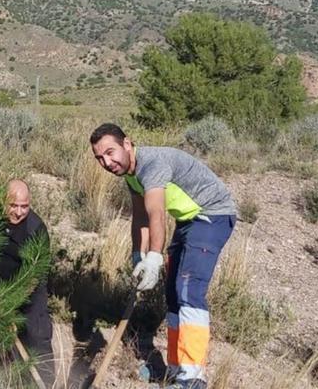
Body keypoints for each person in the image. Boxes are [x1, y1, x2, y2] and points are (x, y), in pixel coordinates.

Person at [90, 123, 237, 389]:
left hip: (212, 215)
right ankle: (176, 369)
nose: (107, 162)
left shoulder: (152, 165)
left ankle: (193, 378)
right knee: (172, 294)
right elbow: (141, 217)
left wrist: (155, 257)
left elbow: (157, 213)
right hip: (188, 221)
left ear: (127, 143)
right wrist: (138, 255)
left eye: (110, 152)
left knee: (189, 290)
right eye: (100, 158)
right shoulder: (131, 174)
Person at [0, 180, 54, 384]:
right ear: (2, 201)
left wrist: (9, 306)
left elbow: (32, 276)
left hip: (27, 289)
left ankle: (46, 382)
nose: (19, 212)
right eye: (13, 205)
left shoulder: (36, 230)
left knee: (35, 334)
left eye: (25, 206)